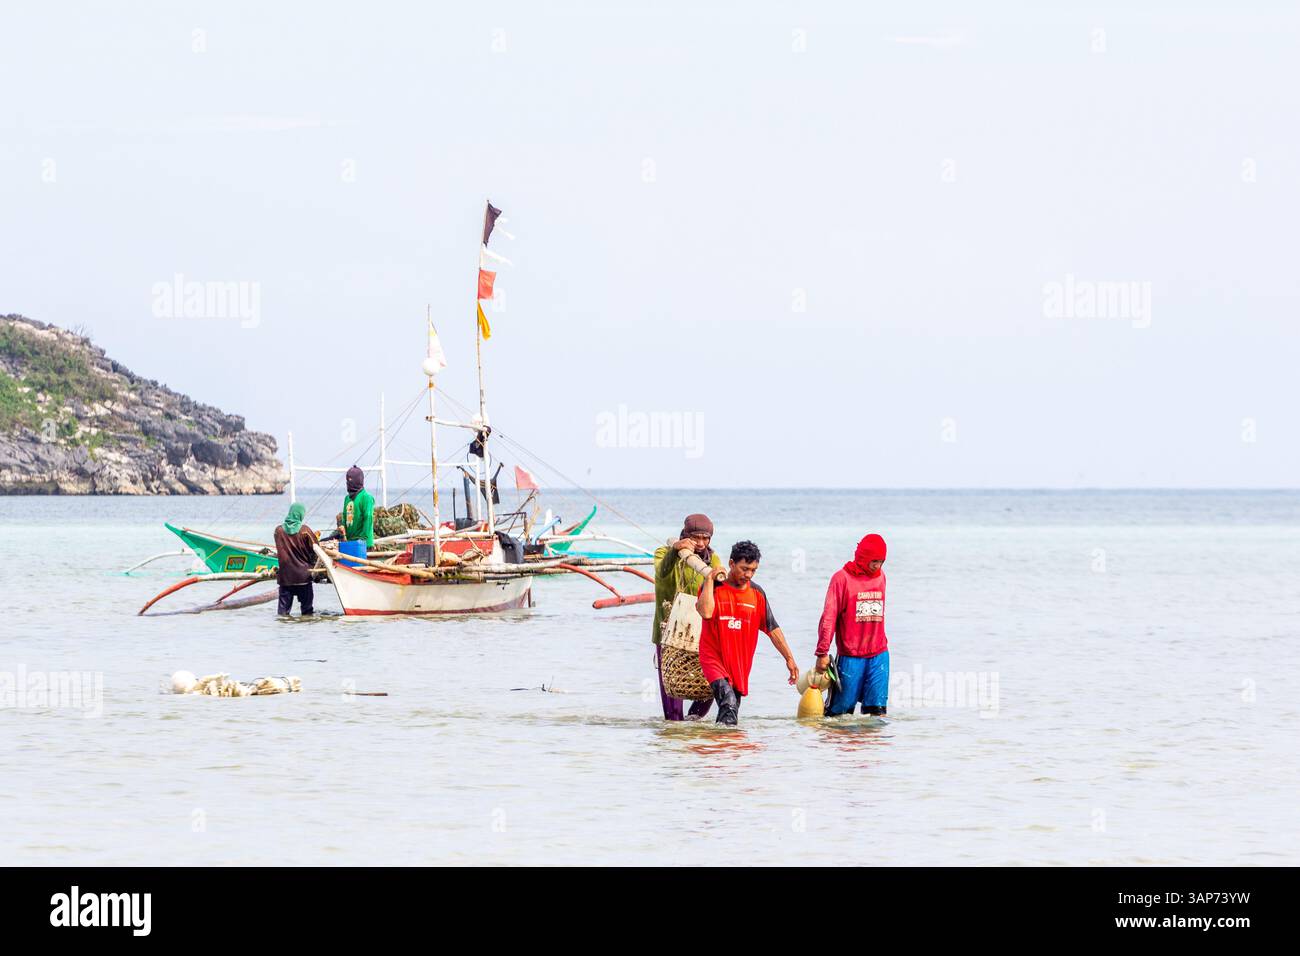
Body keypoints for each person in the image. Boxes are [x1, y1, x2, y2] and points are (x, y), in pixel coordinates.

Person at [696, 540, 799, 725]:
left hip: (739, 664)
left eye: (753, 570)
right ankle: (726, 745)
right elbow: (705, 612)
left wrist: (789, 658)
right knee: (728, 703)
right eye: (744, 569)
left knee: (731, 708)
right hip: (713, 658)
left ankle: (721, 748)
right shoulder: (714, 587)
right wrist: (709, 579)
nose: (748, 574)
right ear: (731, 563)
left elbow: (772, 628)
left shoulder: (757, 593)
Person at [652, 513, 723, 720]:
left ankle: (693, 726)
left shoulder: (713, 559)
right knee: (673, 694)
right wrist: (676, 551)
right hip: (669, 631)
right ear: (685, 534)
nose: (701, 543)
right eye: (696, 538)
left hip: (701, 632)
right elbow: (662, 572)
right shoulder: (663, 552)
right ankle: (673, 734)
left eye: (706, 538)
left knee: (707, 688)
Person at [815, 533, 889, 716]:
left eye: (881, 562)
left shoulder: (881, 578)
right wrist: (822, 652)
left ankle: (872, 746)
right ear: (863, 558)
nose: (877, 566)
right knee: (839, 716)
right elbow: (829, 617)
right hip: (851, 658)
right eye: (874, 561)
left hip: (879, 656)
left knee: (877, 714)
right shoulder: (841, 579)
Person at [273, 502, 318, 617]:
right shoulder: (305, 530)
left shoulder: (278, 531)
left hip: (285, 579)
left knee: (283, 615)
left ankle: (285, 635)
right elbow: (316, 550)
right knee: (307, 614)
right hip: (303, 577)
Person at [339, 465, 375, 549]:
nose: (348, 483)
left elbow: (368, 519)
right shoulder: (347, 498)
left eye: (351, 481)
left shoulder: (366, 497)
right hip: (349, 542)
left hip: (363, 544)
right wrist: (343, 531)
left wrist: (362, 540)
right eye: (347, 481)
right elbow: (344, 518)